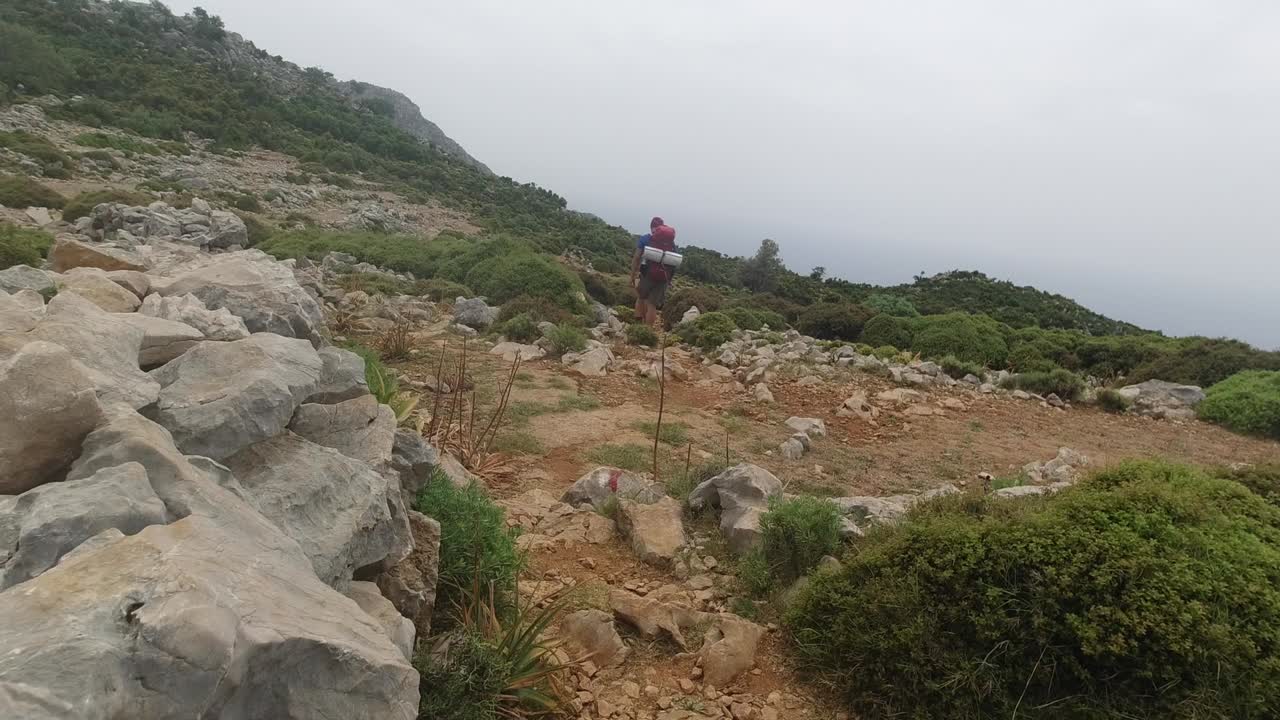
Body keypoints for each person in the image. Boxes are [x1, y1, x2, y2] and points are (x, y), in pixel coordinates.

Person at [631, 216, 677, 325]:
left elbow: (637, 257)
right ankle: (648, 332)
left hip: (647, 275)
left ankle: (638, 326)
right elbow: (673, 262)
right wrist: (669, 280)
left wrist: (633, 275)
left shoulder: (646, 239)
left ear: (651, 226)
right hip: (663, 278)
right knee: (652, 305)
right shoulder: (671, 243)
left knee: (641, 298)